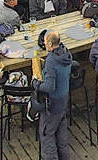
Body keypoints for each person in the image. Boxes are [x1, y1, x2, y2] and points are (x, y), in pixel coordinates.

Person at [35, 30, 73, 160]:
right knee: (61, 132)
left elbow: (49, 87)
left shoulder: (51, 60)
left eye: (45, 42)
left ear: (50, 44)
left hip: (53, 103)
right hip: (64, 98)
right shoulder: (66, 53)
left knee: (47, 133)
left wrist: (36, 84)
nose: (44, 44)